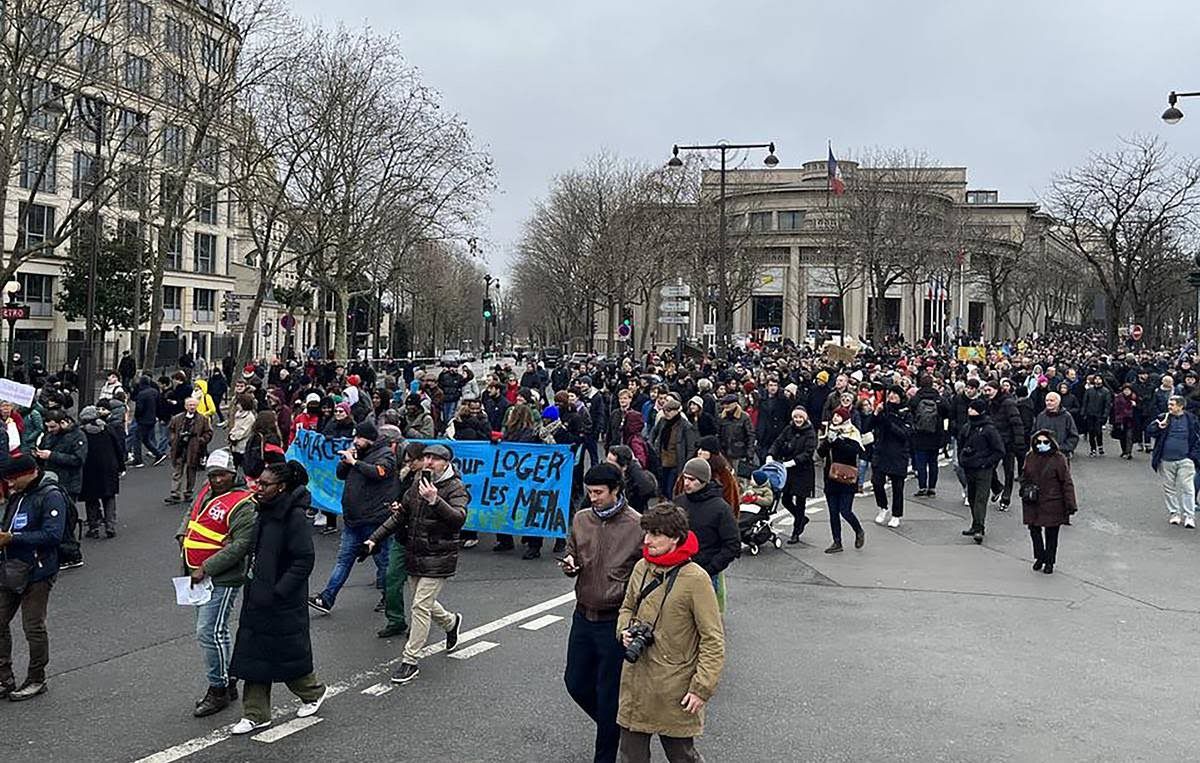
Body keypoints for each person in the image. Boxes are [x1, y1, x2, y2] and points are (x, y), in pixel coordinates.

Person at [227, 461, 330, 735]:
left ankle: (313, 692)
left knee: (286, 655)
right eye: (258, 483)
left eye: (264, 484)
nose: (257, 488)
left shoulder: (294, 517)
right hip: (258, 594)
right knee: (253, 655)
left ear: (281, 487)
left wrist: (279, 590)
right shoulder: (263, 510)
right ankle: (256, 714)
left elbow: (304, 559)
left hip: (282, 600)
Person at [616, 503, 724, 763]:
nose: (647, 540)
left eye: (655, 535)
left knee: (682, 756)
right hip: (636, 680)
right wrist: (624, 631)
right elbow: (627, 607)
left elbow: (713, 639)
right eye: (646, 533)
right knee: (630, 756)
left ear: (675, 538)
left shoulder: (696, 579)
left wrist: (701, 688)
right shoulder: (642, 567)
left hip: (674, 686)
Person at [361, 443, 467, 685]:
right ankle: (451, 622)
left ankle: (410, 661)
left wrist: (435, 500)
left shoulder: (455, 487)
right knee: (424, 602)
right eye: (427, 457)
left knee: (419, 606)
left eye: (435, 459)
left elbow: (458, 519)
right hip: (415, 554)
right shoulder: (417, 482)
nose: (428, 462)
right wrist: (373, 540)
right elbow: (401, 517)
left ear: (446, 463)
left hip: (439, 557)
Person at [560, 462, 644, 763]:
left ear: (616, 491)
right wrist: (570, 562)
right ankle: (616, 727)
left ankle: (606, 753)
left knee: (609, 694)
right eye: (590, 492)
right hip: (583, 613)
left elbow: (644, 572)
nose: (593, 498)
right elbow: (572, 549)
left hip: (615, 620)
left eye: (598, 493)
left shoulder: (636, 524)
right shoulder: (582, 519)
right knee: (575, 682)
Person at [175, 449, 256, 717]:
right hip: (198, 572)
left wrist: (206, 568)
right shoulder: (207, 490)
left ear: (233, 473)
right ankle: (226, 678)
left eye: (222, 475)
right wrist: (182, 532)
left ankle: (218, 688)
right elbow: (193, 512)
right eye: (212, 475)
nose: (217, 480)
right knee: (213, 631)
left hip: (221, 577)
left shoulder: (243, 503)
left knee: (209, 631)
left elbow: (242, 545)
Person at [308, 420, 397, 614]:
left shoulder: (385, 454)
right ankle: (326, 598)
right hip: (353, 520)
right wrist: (346, 461)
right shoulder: (358, 453)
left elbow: (379, 473)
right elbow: (340, 475)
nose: (355, 441)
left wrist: (355, 462)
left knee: (384, 562)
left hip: (375, 520)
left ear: (370, 439)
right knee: (344, 560)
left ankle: (390, 598)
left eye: (359, 438)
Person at [0, 454, 68, 701]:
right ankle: (4, 677)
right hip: (11, 569)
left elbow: (53, 535)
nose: (9, 484)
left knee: (33, 626)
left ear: (30, 473)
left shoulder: (51, 496)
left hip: (38, 571)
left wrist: (13, 539)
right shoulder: (18, 496)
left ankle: (37, 678)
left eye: (12, 479)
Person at [672, 458, 739, 597]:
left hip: (705, 573)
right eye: (685, 478)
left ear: (704, 481)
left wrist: (711, 568)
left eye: (692, 479)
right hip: (676, 569)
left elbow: (733, 544)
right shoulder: (678, 502)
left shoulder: (720, 508)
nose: (686, 483)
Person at [1019, 431, 1077, 575]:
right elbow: (1024, 476)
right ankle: (1040, 556)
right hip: (1033, 500)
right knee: (1034, 531)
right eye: (1038, 442)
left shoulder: (1058, 459)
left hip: (1052, 501)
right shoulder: (1030, 457)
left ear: (1051, 442)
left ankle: (1049, 561)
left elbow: (1066, 482)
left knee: (1052, 534)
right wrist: (1024, 489)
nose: (1042, 445)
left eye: (1045, 442)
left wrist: (1070, 503)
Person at [816, 407, 866, 553]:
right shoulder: (829, 431)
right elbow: (821, 453)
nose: (836, 418)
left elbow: (854, 452)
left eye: (839, 416)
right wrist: (827, 441)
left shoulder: (852, 432)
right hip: (831, 476)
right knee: (833, 512)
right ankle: (837, 542)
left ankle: (858, 530)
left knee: (845, 510)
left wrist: (838, 441)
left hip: (847, 477)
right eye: (835, 416)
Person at [1147, 395, 1200, 528]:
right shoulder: (1163, 417)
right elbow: (1149, 431)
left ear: (1181, 406)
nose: (1169, 407)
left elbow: (1197, 438)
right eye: (1169, 404)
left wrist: (1192, 456)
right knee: (1169, 488)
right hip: (1166, 459)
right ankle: (1174, 513)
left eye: (1172, 404)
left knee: (1187, 487)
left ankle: (1189, 516)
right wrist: (1159, 427)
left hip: (1185, 459)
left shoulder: (1191, 419)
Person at [958, 398, 1006, 543]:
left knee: (980, 498)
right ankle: (975, 523)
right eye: (969, 408)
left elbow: (999, 450)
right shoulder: (967, 427)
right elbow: (961, 444)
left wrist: (987, 463)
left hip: (983, 470)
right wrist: (963, 458)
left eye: (973, 409)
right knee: (972, 497)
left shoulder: (989, 429)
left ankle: (979, 528)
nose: (969, 411)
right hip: (969, 467)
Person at [768, 406, 816, 543]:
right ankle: (801, 519)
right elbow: (778, 442)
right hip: (788, 470)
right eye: (795, 417)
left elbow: (808, 452)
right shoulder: (789, 429)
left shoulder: (810, 432)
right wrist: (771, 454)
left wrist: (794, 462)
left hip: (803, 471)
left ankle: (796, 532)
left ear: (805, 418)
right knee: (786, 500)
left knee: (800, 502)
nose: (798, 420)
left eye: (800, 417)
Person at [868, 386, 913, 528]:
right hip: (881, 451)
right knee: (876, 482)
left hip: (898, 454)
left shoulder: (906, 413)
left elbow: (905, 434)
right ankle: (883, 507)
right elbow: (867, 426)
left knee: (897, 487)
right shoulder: (883, 410)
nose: (892, 396)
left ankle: (896, 515)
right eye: (891, 393)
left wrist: (889, 423)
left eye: (896, 393)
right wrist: (876, 413)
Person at [78, 406, 122, 539]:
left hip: (89, 468)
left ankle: (93, 527)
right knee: (109, 497)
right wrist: (121, 466)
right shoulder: (107, 429)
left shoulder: (82, 432)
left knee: (91, 499)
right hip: (109, 466)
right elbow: (118, 448)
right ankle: (110, 526)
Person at [985, 379, 1027, 512]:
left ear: (997, 390)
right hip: (993, 441)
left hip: (1008, 442)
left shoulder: (1008, 403)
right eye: (985, 390)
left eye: (989, 390)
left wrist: (1019, 442)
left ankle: (1006, 498)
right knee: (988, 466)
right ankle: (997, 487)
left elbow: (1016, 422)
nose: (987, 393)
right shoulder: (989, 403)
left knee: (1008, 471)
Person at [167, 397, 214, 504]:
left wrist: (200, 440)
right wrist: (173, 440)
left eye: (194, 405)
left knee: (191, 471)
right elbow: (171, 430)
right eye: (190, 405)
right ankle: (175, 493)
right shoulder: (177, 418)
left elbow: (209, 433)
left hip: (193, 450)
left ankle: (188, 492)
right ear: (185, 406)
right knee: (177, 471)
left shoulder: (203, 419)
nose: (192, 407)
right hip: (179, 449)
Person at [649, 397, 697, 499]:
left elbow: (691, 447)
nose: (666, 413)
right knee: (662, 487)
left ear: (676, 411)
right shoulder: (662, 421)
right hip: (662, 459)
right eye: (664, 411)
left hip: (676, 462)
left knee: (671, 489)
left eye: (669, 411)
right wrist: (652, 446)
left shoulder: (685, 426)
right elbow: (653, 433)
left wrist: (686, 463)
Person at [909, 375, 948, 497]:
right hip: (935, 435)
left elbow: (910, 412)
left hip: (919, 435)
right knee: (933, 462)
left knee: (921, 462)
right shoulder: (939, 399)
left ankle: (922, 487)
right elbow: (947, 411)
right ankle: (932, 488)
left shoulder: (916, 399)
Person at [606, 445, 658, 513]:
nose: (607, 467)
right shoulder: (604, 477)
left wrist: (634, 465)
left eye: (612, 465)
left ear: (624, 467)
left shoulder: (634, 480)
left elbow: (647, 488)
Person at [1033, 392, 1080, 460]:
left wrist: (1063, 448)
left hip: (1060, 456)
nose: (1048, 402)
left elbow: (1073, 436)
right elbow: (1034, 433)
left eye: (1051, 400)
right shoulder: (1041, 416)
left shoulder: (1066, 417)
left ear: (1058, 402)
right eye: (1047, 400)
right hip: (1041, 456)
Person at [716, 394, 754, 476]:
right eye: (724, 403)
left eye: (728, 403)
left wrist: (749, 453)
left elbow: (751, 435)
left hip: (739, 453)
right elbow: (718, 434)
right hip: (724, 453)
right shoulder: (721, 418)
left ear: (735, 404)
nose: (725, 406)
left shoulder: (744, 417)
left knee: (739, 478)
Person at [1111, 384, 1138, 460]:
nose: (1126, 392)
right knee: (1122, 437)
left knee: (1129, 436)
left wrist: (1135, 405)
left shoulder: (1134, 398)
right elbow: (1115, 410)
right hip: (1121, 420)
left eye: (1128, 390)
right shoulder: (1118, 398)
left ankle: (1128, 452)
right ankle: (1124, 451)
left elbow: (1140, 408)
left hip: (1131, 420)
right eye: (1125, 390)